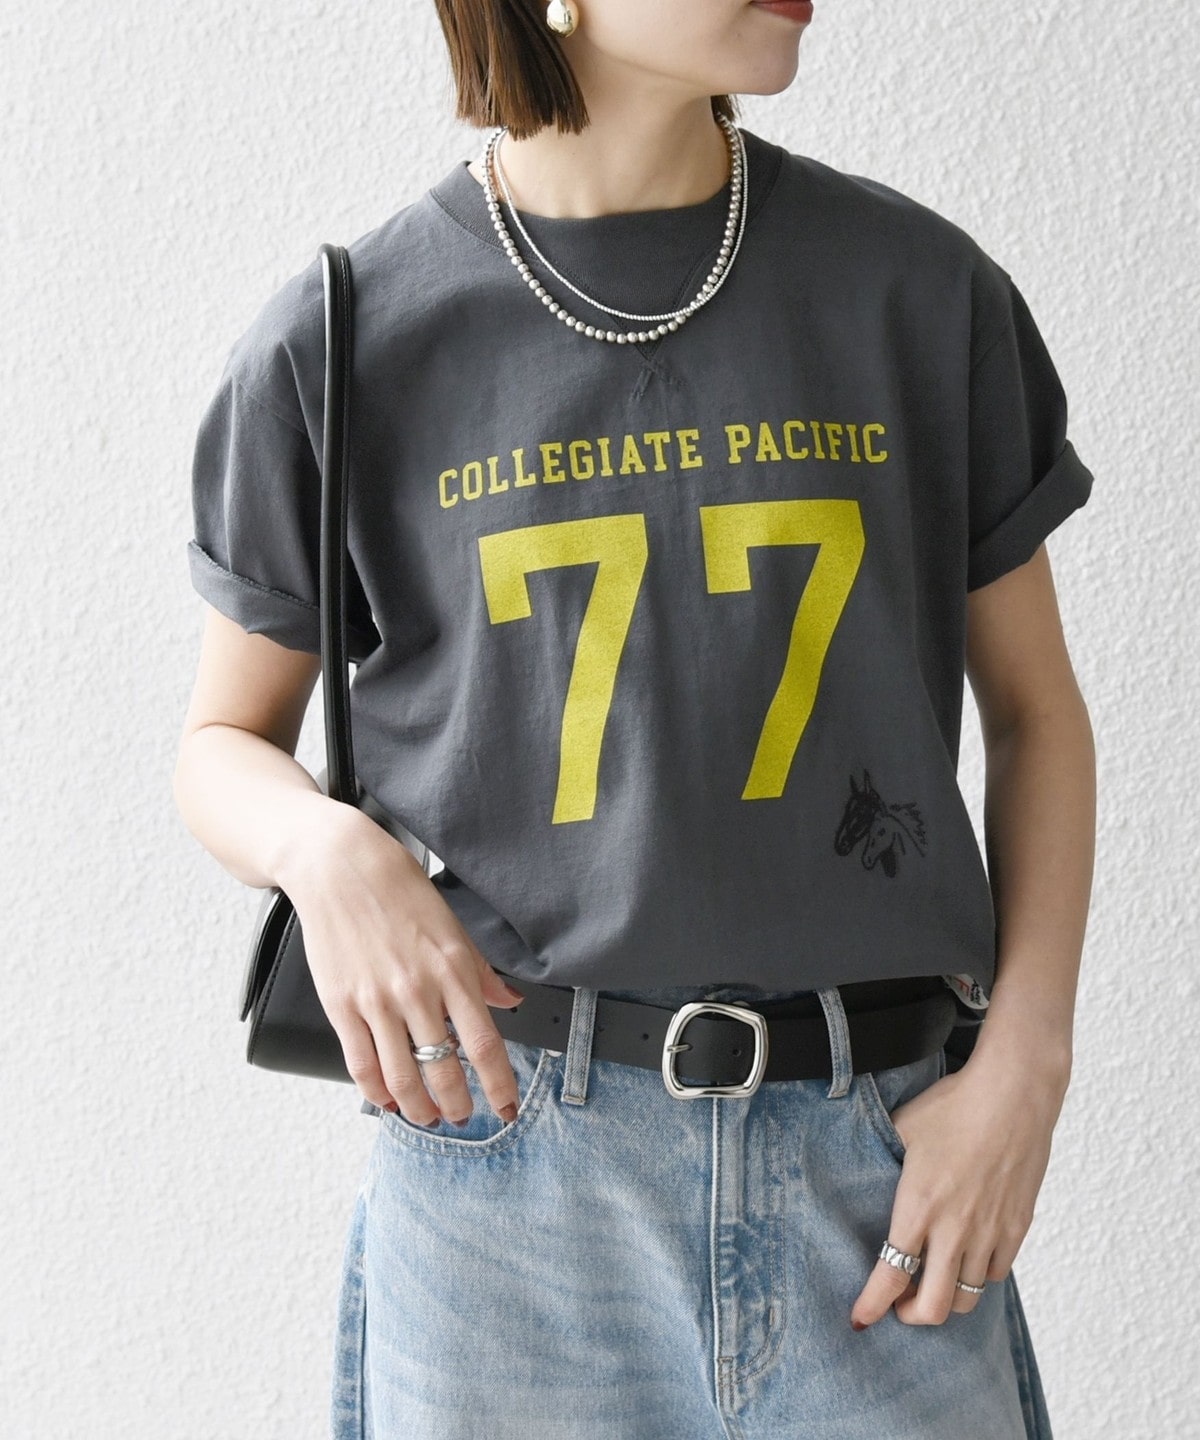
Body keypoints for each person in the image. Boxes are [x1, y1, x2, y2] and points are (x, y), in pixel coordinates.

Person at [173, 1, 1096, 1435]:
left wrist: (1027, 1061)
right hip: (506, 1198)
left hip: (882, 1174)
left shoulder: (917, 291)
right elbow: (221, 742)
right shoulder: (346, 336)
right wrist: (324, 849)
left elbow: (1035, 710)